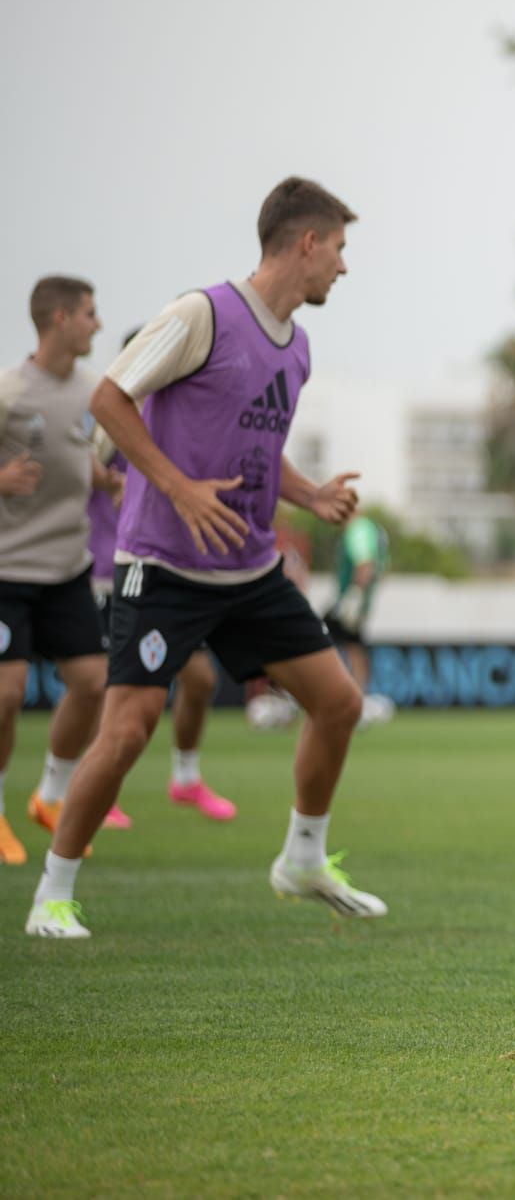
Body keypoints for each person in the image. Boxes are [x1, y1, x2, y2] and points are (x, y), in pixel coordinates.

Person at [27, 177, 388, 939]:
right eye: (339, 249)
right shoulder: (202, 314)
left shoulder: (299, 347)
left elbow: (257, 442)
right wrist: (178, 487)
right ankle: (51, 895)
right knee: (128, 730)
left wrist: (308, 493)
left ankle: (302, 859)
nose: (344, 267)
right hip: (163, 565)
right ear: (306, 243)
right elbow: (108, 399)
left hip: (248, 568)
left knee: (340, 703)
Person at [1, 277, 116, 865]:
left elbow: (79, 453)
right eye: (91, 314)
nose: (98, 325)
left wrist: (109, 481)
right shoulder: (10, 392)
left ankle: (50, 795)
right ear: (60, 318)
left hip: (69, 567)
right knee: (6, 695)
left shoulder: (96, 392)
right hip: (7, 570)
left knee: (93, 683)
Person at [89, 440, 233, 821]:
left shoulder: (178, 422)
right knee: (100, 684)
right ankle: (91, 790)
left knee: (200, 679)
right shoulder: (113, 417)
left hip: (168, 569)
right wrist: (112, 481)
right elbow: (73, 462)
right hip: (110, 569)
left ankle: (185, 779)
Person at [325, 513, 394, 725]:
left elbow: (364, 565)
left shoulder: (358, 528)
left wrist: (354, 595)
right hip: (357, 605)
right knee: (354, 648)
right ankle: (357, 699)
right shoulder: (374, 529)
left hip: (349, 604)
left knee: (315, 643)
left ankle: (352, 701)